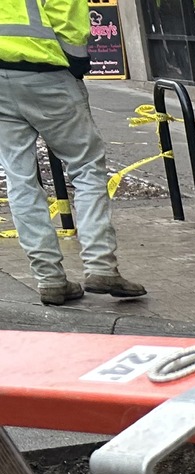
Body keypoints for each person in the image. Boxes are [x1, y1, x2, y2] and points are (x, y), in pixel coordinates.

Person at [0, 0, 145, 305]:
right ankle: (101, 266)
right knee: (86, 165)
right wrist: (78, 64)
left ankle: (50, 279)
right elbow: (69, 17)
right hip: (47, 72)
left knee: (20, 178)